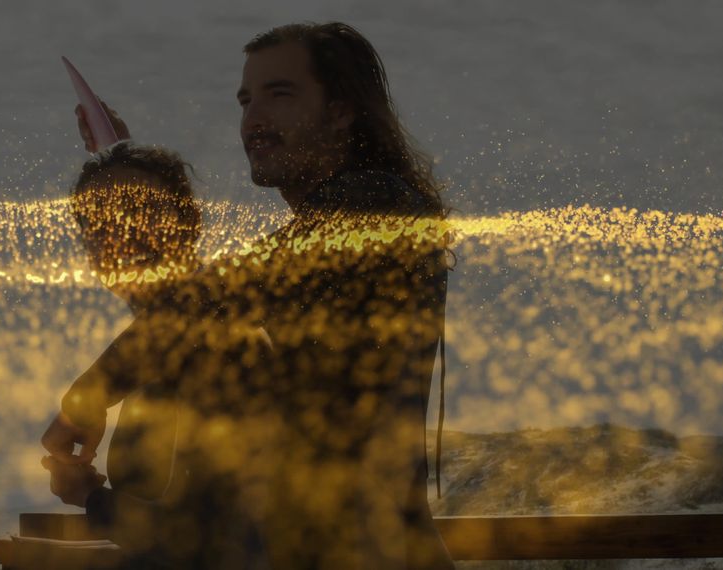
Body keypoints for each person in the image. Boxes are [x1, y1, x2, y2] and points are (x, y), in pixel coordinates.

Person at [50, 22, 454, 569]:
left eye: (280, 94)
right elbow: (197, 303)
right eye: (246, 100)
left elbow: (219, 297)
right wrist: (122, 158)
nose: (253, 119)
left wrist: (90, 400)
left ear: (341, 111)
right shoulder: (339, 228)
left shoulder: (373, 204)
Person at [0, 143, 271, 570]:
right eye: (96, 223)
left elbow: (198, 550)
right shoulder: (155, 363)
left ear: (188, 224)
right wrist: (7, 550)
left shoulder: (224, 347)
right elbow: (155, 550)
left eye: (139, 210)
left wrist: (88, 499)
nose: (119, 233)